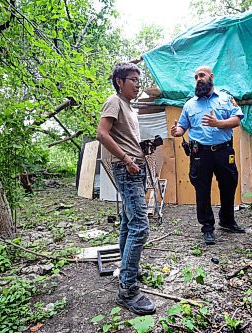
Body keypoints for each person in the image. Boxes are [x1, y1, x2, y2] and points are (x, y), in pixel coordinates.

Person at [96, 63, 156, 315]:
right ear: (119, 81)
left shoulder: (130, 108)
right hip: (127, 168)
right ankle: (128, 289)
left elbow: (124, 138)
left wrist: (140, 153)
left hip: (135, 168)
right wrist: (128, 159)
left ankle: (127, 269)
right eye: (133, 79)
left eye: (138, 80)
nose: (138, 84)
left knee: (128, 222)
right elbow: (101, 134)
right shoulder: (114, 101)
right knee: (140, 226)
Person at [171, 65, 245, 245]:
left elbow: (237, 119)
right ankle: (207, 227)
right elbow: (182, 126)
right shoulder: (189, 104)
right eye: (196, 76)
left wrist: (217, 123)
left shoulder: (226, 99)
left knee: (229, 185)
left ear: (211, 77)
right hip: (200, 154)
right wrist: (177, 131)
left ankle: (227, 221)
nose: (198, 79)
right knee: (202, 190)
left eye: (202, 75)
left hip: (224, 151)